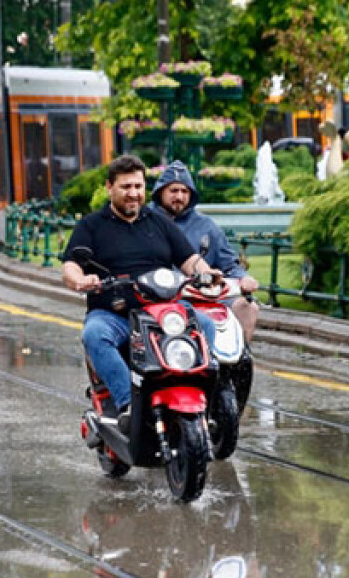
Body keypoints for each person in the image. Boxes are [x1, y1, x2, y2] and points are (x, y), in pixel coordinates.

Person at [61, 155, 219, 428]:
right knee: (94, 334)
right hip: (115, 314)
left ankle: (206, 400)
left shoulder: (159, 222)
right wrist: (80, 280)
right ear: (109, 187)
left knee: (206, 324)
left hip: (163, 311)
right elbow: (71, 265)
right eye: (126, 187)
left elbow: (189, 259)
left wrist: (207, 274)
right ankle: (128, 406)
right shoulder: (92, 225)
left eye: (138, 186)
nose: (133, 194)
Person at [151, 161, 261, 341]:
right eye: (173, 191)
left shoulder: (207, 226)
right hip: (164, 298)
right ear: (160, 191)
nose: (179, 196)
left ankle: (237, 363)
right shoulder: (146, 220)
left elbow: (229, 264)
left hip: (206, 295)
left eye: (184, 191)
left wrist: (243, 278)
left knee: (247, 307)